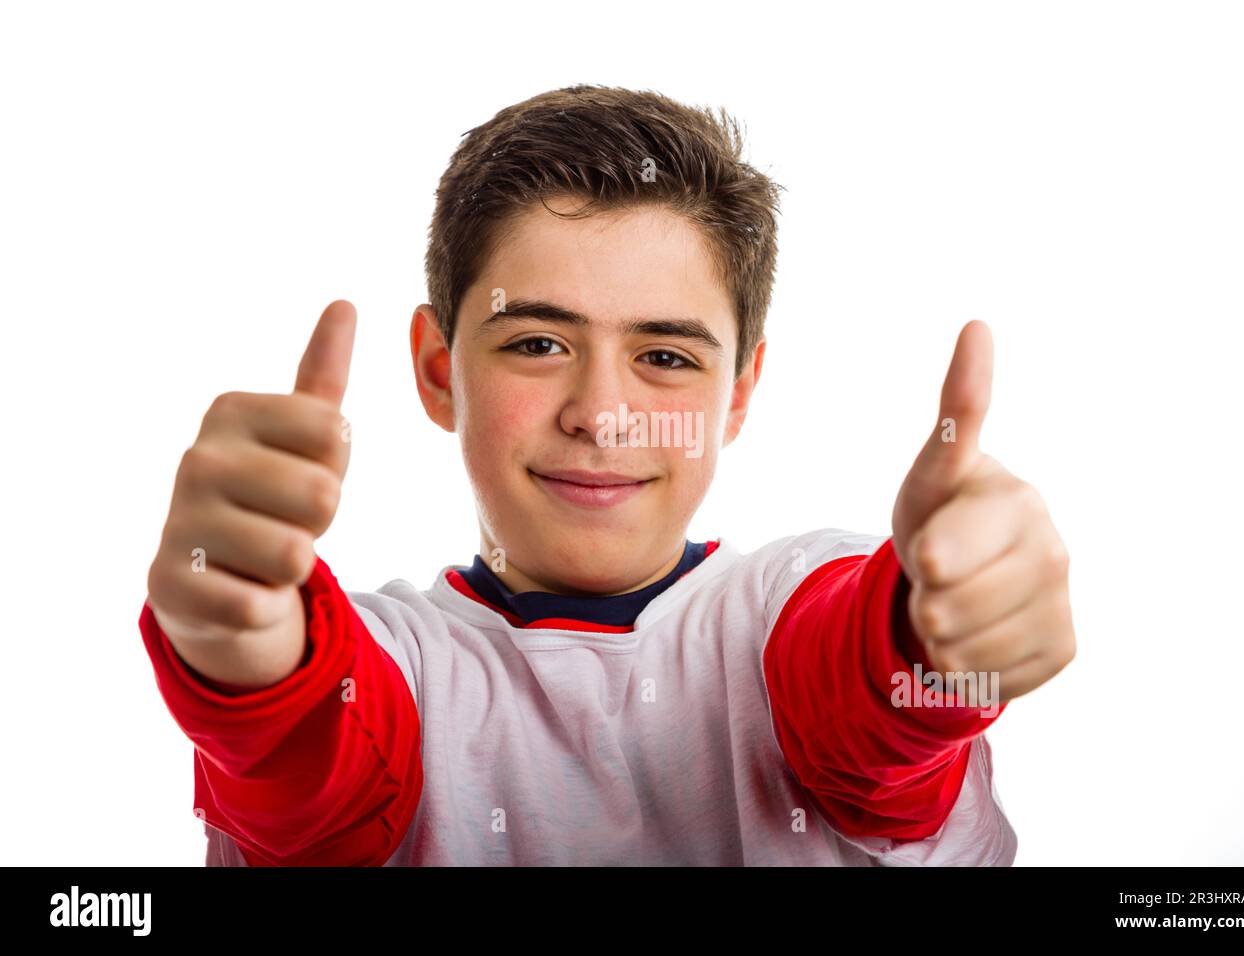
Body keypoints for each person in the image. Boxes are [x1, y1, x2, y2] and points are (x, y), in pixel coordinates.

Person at [139, 85, 1075, 866]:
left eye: (666, 357)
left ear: (739, 393)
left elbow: (862, 702)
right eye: (539, 343)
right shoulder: (398, 667)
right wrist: (246, 643)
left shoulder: (783, 613)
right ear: (438, 370)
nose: (602, 412)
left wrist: (933, 641)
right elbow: (315, 757)